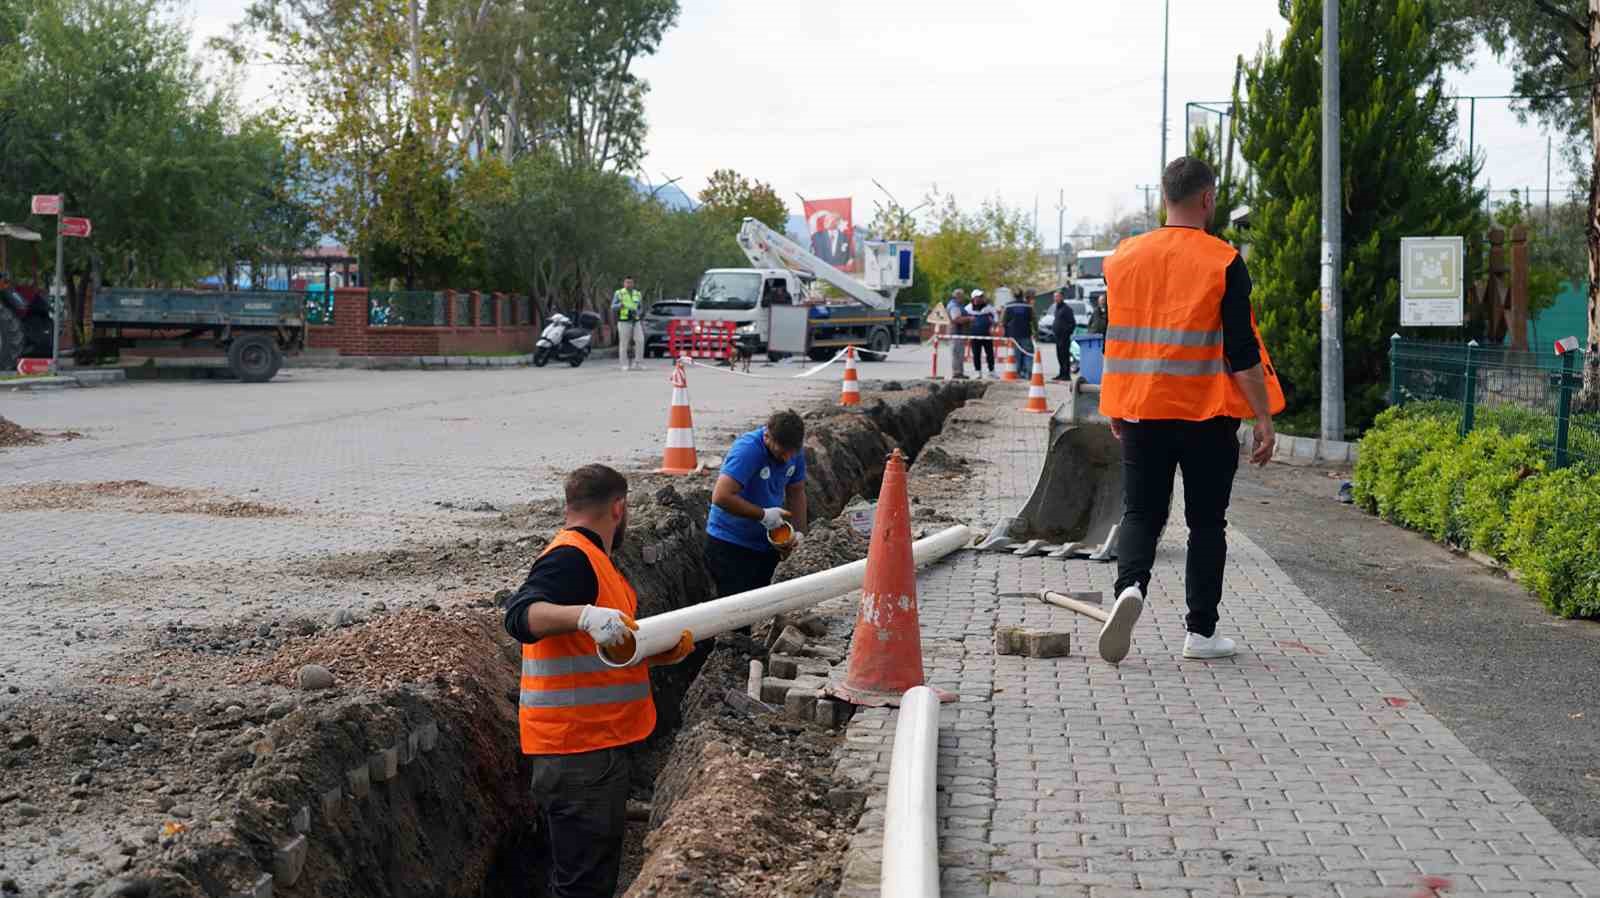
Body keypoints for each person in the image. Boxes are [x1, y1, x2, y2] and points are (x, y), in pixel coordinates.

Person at [1100, 156, 1284, 661]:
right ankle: (1201, 633)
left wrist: (1116, 402)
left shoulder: (1124, 258)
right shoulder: (1223, 260)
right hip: (1207, 417)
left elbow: (1117, 339)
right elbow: (1241, 350)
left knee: (1141, 511)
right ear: (1207, 199)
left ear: (1165, 198)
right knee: (1206, 523)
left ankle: (1129, 589)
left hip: (1141, 411)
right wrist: (1263, 418)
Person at [502, 464, 695, 898]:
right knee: (582, 887)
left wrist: (650, 650)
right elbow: (519, 616)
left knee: (585, 879)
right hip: (577, 753)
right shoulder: (571, 557)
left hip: (588, 750)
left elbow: (592, 653)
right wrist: (585, 615)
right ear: (619, 507)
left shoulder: (593, 560)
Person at [704, 410, 809, 599]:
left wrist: (800, 534)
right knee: (737, 613)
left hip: (766, 545)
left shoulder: (794, 452)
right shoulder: (748, 450)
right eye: (781, 452)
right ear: (767, 435)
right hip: (731, 544)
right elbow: (721, 496)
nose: (786, 458)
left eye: (791, 453)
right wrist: (763, 515)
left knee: (763, 607)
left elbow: (796, 491)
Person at [611, 276, 644, 371]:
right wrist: (619, 305)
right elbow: (612, 306)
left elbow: (641, 308)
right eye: (627, 282)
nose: (629, 284)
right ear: (624, 283)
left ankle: (638, 363)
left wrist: (638, 313)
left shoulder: (637, 294)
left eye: (630, 282)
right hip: (624, 321)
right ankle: (624, 364)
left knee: (640, 340)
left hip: (635, 321)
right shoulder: (619, 293)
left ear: (633, 284)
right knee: (624, 343)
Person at [1003, 289, 1036, 379]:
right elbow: (1033, 320)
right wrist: (1035, 332)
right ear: (1022, 295)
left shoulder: (1008, 306)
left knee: (1016, 355)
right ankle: (1029, 373)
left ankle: (1018, 373)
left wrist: (1005, 334)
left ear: (1014, 296)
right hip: (1026, 333)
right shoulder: (1028, 306)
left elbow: (1003, 321)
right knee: (1028, 353)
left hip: (1013, 334)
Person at [965, 289, 997, 378]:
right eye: (978, 297)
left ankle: (991, 371)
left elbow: (996, 317)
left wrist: (993, 325)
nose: (980, 299)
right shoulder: (967, 308)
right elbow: (964, 321)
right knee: (976, 354)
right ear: (973, 298)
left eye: (981, 297)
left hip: (987, 335)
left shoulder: (988, 307)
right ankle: (978, 372)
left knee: (990, 353)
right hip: (974, 336)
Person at [1048, 289, 1076, 381]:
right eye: (1054, 297)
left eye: (1057, 296)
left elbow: (1072, 323)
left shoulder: (1067, 309)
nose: (1055, 298)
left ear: (1062, 297)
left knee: (1065, 356)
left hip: (1064, 337)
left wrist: (1066, 333)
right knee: (1059, 355)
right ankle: (1061, 373)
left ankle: (1066, 375)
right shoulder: (1057, 308)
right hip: (1058, 336)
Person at [944, 289, 970, 379]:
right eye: (962, 296)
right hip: (955, 333)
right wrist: (969, 318)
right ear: (958, 296)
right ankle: (957, 373)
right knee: (957, 354)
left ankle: (959, 373)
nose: (963, 298)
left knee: (959, 354)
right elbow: (956, 319)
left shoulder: (957, 305)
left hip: (958, 333)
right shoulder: (954, 306)